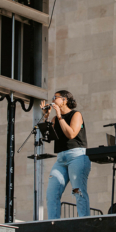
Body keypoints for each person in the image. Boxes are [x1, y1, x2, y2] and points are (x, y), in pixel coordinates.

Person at [41, 90, 90, 219]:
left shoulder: (76, 114)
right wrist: (46, 116)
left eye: (55, 97)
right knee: (51, 193)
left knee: (78, 191)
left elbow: (71, 134)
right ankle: (53, 224)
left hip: (77, 156)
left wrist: (59, 117)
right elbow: (47, 136)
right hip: (61, 158)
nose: (53, 100)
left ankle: (84, 221)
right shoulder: (54, 118)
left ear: (64, 100)